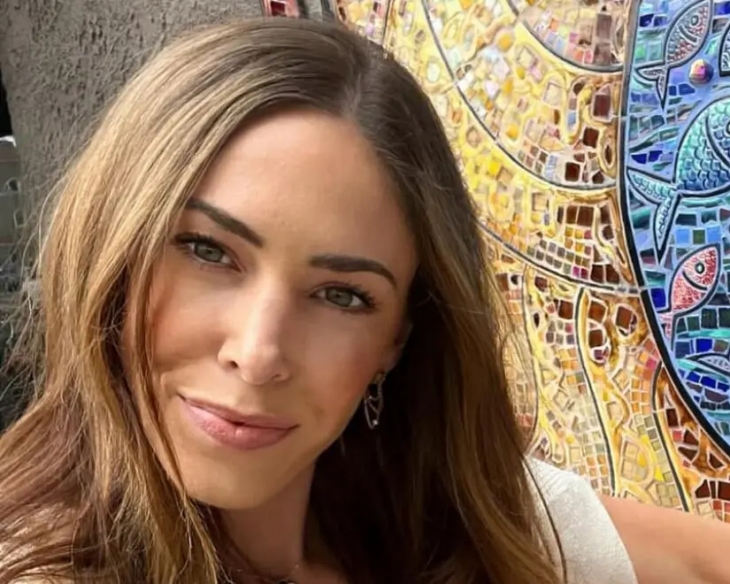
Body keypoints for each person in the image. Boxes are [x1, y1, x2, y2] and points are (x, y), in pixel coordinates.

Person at [0, 17, 727, 584]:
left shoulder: (450, 518)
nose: (258, 353)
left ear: (396, 342)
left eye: (342, 296)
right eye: (208, 251)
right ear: (115, 249)